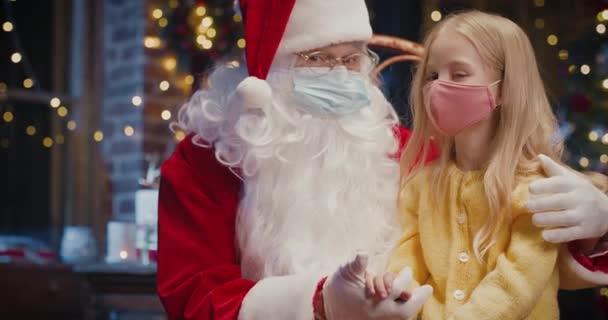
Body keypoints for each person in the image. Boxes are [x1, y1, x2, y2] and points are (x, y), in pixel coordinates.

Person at [157, 1, 608, 319]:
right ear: (270, 69)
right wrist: (320, 305)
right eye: (316, 59)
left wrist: (596, 227)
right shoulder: (207, 162)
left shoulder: (410, 152)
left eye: (351, 59)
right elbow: (193, 297)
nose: (339, 74)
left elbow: (499, 235)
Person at [366, 10, 608, 319]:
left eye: (459, 74)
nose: (439, 86)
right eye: (432, 75)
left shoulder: (539, 188)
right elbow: (406, 261)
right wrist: (396, 293)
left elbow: (517, 283)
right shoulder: (419, 186)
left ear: (505, 88)